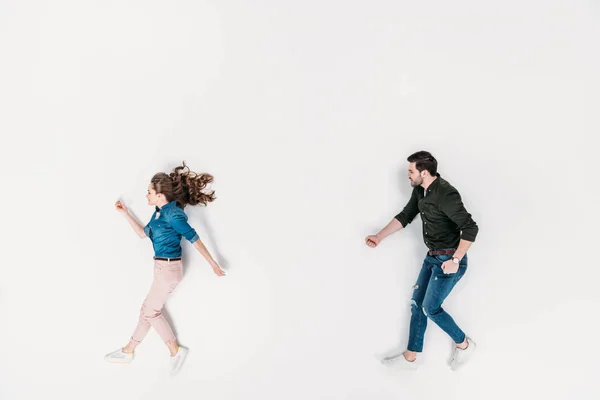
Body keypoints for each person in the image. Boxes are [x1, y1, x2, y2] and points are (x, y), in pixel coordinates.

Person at [104, 161, 225, 376]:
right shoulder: (158, 214)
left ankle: (174, 350)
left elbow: (193, 238)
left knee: (150, 311)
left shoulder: (173, 215)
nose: (147, 196)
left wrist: (213, 263)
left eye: (149, 192)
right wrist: (125, 213)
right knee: (147, 311)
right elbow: (143, 234)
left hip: (169, 270)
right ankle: (128, 350)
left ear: (160, 195)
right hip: (160, 268)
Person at [365, 151, 479, 371]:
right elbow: (406, 215)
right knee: (417, 305)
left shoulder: (446, 193)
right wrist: (379, 236)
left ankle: (464, 345)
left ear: (424, 172)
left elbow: (471, 228)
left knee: (430, 307)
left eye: (411, 171)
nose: (408, 175)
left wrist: (456, 258)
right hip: (432, 257)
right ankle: (410, 357)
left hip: (449, 260)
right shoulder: (420, 190)